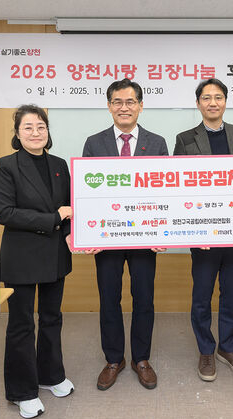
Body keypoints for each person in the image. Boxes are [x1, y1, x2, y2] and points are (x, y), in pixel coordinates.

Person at [82, 78, 168, 390]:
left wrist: (163, 233)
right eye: (117, 102)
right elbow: (86, 193)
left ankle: (141, 358)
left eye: (130, 102)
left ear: (140, 106)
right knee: (109, 298)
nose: (124, 107)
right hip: (107, 238)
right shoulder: (94, 143)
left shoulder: (157, 143)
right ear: (109, 106)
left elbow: (166, 191)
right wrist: (89, 235)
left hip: (145, 238)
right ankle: (114, 359)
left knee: (144, 298)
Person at [0, 105, 74, 419]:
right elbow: (5, 213)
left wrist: (72, 233)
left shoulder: (59, 165)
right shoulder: (6, 166)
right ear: (17, 132)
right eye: (28, 127)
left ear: (48, 131)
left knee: (52, 317)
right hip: (22, 257)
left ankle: (50, 375)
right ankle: (22, 391)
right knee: (21, 324)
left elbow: (70, 207)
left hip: (55, 254)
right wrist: (53, 219)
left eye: (41, 126)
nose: (36, 133)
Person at [174, 78, 233, 381]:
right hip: (203, 230)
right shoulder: (184, 138)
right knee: (202, 296)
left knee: (232, 294)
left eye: (218, 97)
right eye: (206, 97)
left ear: (225, 102)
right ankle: (206, 350)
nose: (212, 102)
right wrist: (193, 230)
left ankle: (228, 348)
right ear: (198, 104)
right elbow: (177, 185)